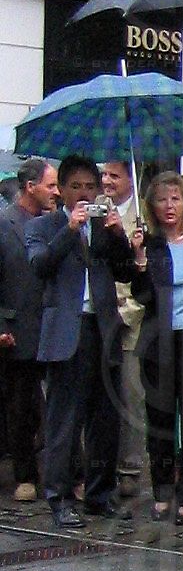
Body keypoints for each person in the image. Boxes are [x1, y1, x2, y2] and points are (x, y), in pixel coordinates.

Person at [25, 155, 139, 528]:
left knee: (106, 419)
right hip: (66, 333)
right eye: (76, 186)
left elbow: (125, 272)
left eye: (90, 186)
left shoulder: (104, 226)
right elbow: (40, 265)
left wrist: (121, 238)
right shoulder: (43, 226)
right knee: (64, 422)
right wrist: (70, 229)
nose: (84, 193)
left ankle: (99, 494)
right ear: (61, 190)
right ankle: (58, 496)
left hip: (103, 328)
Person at [129, 172, 183, 526]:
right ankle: (163, 490)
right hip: (159, 344)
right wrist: (138, 259)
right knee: (160, 423)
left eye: (175, 198)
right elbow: (142, 296)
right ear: (151, 206)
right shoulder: (150, 246)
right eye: (161, 199)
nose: (169, 206)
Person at [0, 158, 58, 501]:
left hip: (54, 327)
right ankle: (25, 475)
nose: (56, 192)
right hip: (18, 330)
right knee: (20, 406)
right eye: (51, 185)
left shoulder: (58, 223)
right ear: (30, 186)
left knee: (60, 404)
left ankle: (68, 473)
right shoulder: (4, 224)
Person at [101, 161, 147, 485]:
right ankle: (98, 465)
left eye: (114, 175)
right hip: (98, 318)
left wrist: (125, 313)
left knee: (132, 396)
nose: (107, 181)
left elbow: (146, 275)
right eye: (104, 174)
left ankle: (130, 467)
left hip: (132, 322)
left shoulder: (144, 216)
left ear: (131, 178)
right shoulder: (94, 210)